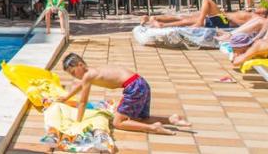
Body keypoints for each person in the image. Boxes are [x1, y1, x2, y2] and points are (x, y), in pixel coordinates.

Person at [58, 53, 191, 135]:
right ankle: (171, 119)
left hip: (133, 87)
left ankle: (153, 128)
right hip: (141, 83)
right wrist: (66, 97)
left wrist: (78, 122)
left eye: (73, 72)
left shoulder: (88, 75)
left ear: (80, 65)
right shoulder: (92, 71)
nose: (74, 76)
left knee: (118, 122)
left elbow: (82, 102)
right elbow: (80, 86)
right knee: (138, 118)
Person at [143, 0, 261, 28]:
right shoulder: (252, 14)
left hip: (224, 21)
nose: (259, 7)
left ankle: (161, 24)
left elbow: (241, 24)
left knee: (206, 0)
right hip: (223, 18)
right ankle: (153, 18)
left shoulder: (255, 17)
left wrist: (228, 16)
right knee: (185, 17)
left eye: (262, 8)